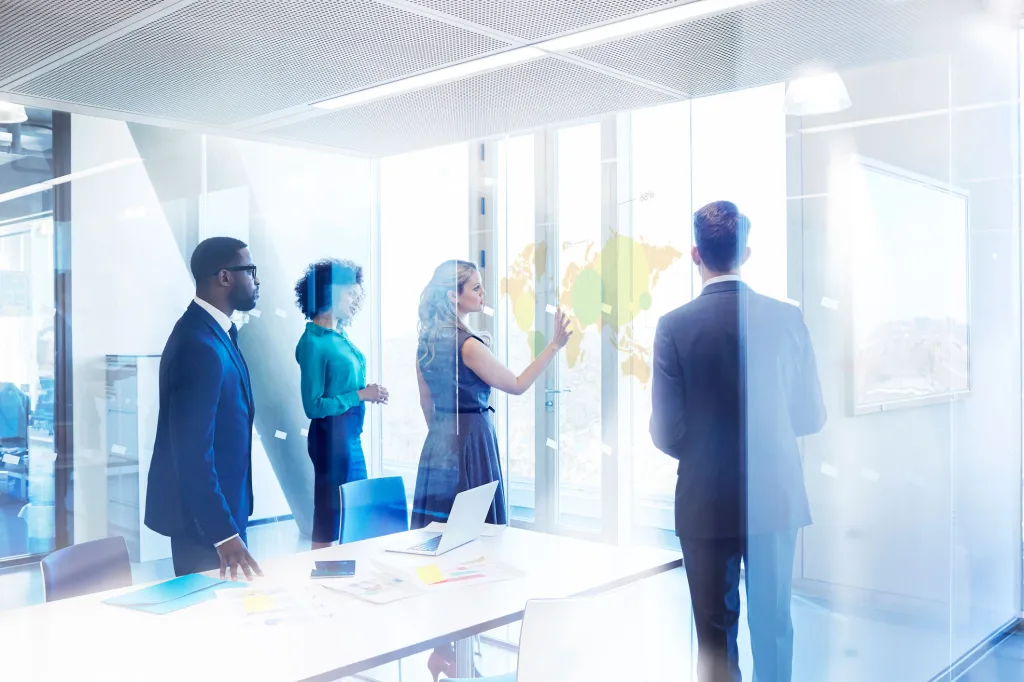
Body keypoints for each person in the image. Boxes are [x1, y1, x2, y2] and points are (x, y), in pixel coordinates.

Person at [650, 201, 826, 682]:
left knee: (713, 640)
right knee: (773, 628)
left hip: (705, 501)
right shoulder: (788, 319)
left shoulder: (673, 327)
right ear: (745, 253)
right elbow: (811, 416)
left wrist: (710, 449)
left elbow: (666, 432)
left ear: (694, 255)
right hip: (775, 498)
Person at [412, 259, 571, 681]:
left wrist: (446, 438)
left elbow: (426, 405)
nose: (482, 295)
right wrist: (553, 347)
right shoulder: (467, 344)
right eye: (476, 288)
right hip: (474, 441)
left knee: (442, 543)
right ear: (454, 295)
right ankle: (464, 643)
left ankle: (443, 648)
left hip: (438, 445)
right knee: (476, 544)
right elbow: (516, 384)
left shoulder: (425, 343)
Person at [145, 237, 263, 580]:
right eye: (250, 271)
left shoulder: (217, 332)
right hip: (204, 526)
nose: (256, 281)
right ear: (224, 277)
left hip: (222, 514)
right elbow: (192, 452)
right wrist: (223, 533)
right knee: (209, 623)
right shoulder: (197, 344)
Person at [294, 259, 387, 550]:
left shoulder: (340, 335)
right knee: (329, 519)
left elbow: (344, 383)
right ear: (329, 294)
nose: (356, 300)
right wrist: (360, 396)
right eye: (350, 294)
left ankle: (352, 579)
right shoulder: (312, 343)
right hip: (330, 439)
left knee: (356, 514)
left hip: (349, 438)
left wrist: (367, 391)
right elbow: (313, 406)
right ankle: (319, 579)